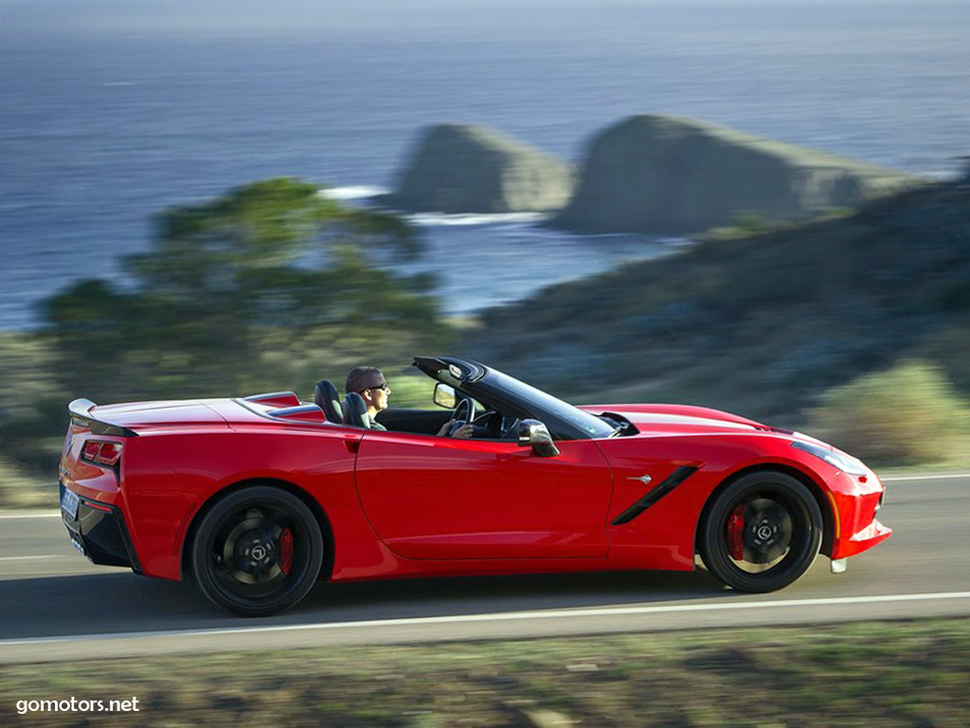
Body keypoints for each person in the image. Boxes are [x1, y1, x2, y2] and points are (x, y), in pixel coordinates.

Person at [345, 366, 473, 438]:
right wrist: (454, 441)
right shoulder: (376, 432)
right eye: (383, 387)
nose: (388, 391)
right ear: (368, 394)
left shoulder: (361, 426)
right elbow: (415, 462)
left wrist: (440, 435)